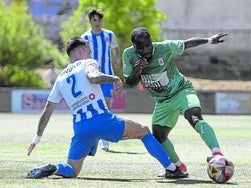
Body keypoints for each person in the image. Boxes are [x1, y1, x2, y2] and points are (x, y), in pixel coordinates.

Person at [26, 37, 188, 179]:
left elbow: (47, 110)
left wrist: (37, 137)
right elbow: (93, 77)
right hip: (102, 120)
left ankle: (55, 168)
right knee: (144, 131)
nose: (91, 55)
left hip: (81, 128)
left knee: (73, 170)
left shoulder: (60, 78)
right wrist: (114, 78)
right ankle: (172, 169)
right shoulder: (87, 63)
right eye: (89, 52)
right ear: (81, 52)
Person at [122, 27, 229, 177]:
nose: (146, 50)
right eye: (141, 47)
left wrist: (210, 40)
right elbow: (129, 82)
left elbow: (187, 43)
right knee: (158, 135)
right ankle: (178, 168)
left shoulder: (164, 48)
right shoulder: (128, 55)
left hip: (181, 90)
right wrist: (137, 70)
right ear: (134, 46)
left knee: (194, 117)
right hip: (162, 101)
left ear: (151, 42)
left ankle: (217, 153)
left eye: (148, 45)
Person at [81, 9, 121, 151]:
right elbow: (81, 55)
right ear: (90, 21)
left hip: (107, 75)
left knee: (107, 106)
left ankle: (104, 138)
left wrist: (117, 59)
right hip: (92, 77)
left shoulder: (109, 34)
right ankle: (94, 139)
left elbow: (115, 47)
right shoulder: (85, 37)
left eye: (99, 20)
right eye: (94, 20)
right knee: (93, 106)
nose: (97, 22)